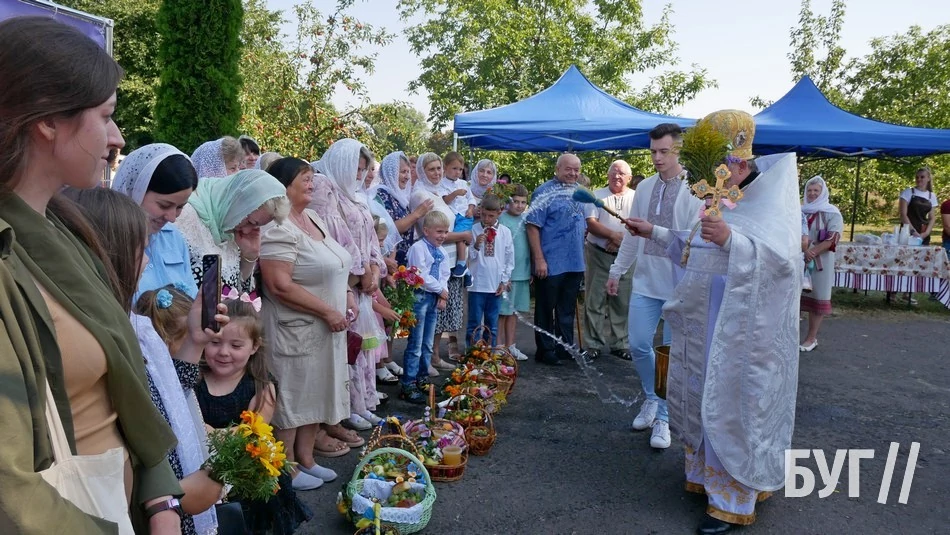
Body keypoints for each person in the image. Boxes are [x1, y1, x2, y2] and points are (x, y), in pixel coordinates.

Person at [0, 16, 182, 533]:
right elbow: (10, 486)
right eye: (105, 116)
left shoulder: (61, 226)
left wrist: (159, 500)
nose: (116, 137)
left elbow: (119, 387)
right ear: (48, 121)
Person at [625, 110, 801, 534]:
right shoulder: (721, 199)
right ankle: (708, 479)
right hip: (705, 326)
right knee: (705, 399)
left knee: (733, 406)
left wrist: (732, 241)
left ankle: (732, 499)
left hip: (742, 336)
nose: (713, 177)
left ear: (740, 161)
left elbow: (783, 266)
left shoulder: (770, 201)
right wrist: (654, 232)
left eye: (720, 166)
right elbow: (695, 249)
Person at [67, 187, 229, 535]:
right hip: (150, 501)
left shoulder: (135, 326)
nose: (147, 262)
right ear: (111, 253)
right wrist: (172, 501)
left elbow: (166, 395)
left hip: (171, 491)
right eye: (142, 249)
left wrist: (195, 341)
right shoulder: (97, 339)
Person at [259, 157, 361, 479]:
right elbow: (279, 284)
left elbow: (335, 262)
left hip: (326, 327)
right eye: (304, 178)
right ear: (283, 186)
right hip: (296, 328)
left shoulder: (313, 217)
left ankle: (306, 458)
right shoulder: (276, 227)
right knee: (295, 395)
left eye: (311, 177)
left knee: (317, 391)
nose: (312, 183)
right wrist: (327, 310)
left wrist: (347, 295)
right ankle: (287, 468)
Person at [606, 124, 702, 450]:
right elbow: (633, 236)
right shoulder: (645, 187)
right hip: (646, 281)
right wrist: (617, 271)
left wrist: (654, 231)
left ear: (678, 150)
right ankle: (651, 397)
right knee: (637, 344)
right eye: (653, 152)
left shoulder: (696, 188)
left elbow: (694, 241)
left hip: (680, 285)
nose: (657, 158)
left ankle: (663, 415)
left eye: (664, 151)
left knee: (671, 356)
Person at [197, 299, 314, 533]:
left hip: (248, 477)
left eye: (236, 345)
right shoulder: (194, 380)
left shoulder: (261, 386)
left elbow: (252, 434)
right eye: (215, 342)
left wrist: (207, 431)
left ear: (254, 346)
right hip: (202, 473)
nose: (223, 352)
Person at [308, 139, 384, 431]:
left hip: (361, 284)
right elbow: (333, 237)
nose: (359, 175)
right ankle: (343, 411)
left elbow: (371, 237)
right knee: (344, 348)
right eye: (356, 168)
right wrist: (360, 271)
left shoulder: (354, 195)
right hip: (342, 283)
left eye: (363, 169)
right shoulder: (324, 187)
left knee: (359, 347)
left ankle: (361, 403)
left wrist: (374, 268)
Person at [111, 142, 200, 300]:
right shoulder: (108, 239)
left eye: (180, 207)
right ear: (136, 190)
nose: (172, 218)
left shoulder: (173, 237)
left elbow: (190, 297)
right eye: (164, 205)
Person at [176, 169, 289, 293]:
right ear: (237, 201)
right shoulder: (184, 217)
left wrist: (249, 256)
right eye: (250, 222)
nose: (247, 231)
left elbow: (239, 295)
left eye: (256, 227)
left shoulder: (230, 229)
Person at [526, 153, 590, 366]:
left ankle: (565, 347)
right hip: (551, 261)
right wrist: (539, 259)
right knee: (546, 308)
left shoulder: (581, 192)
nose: (573, 173)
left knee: (567, 309)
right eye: (568, 169)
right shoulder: (543, 192)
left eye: (576, 170)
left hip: (575, 261)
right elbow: (532, 226)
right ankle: (545, 350)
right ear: (557, 168)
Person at [413, 153, 470, 370]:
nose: (437, 173)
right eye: (431, 169)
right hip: (432, 262)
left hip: (449, 260)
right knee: (429, 314)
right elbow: (427, 232)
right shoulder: (421, 195)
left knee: (442, 313)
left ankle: (434, 356)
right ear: (422, 172)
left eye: (438, 168)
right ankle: (425, 360)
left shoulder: (437, 192)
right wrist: (463, 236)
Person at [583, 160, 636, 362]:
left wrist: (621, 241)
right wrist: (613, 236)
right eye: (613, 172)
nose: (617, 176)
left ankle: (620, 343)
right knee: (594, 300)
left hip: (626, 257)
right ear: (607, 175)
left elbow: (640, 225)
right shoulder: (596, 196)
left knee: (622, 301)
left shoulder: (636, 197)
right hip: (598, 254)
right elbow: (591, 223)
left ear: (629, 178)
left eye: (621, 173)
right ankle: (593, 344)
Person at [400, 211, 452, 403]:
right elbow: (419, 275)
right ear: (426, 230)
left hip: (433, 297)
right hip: (420, 296)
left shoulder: (442, 251)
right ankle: (408, 383)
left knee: (427, 343)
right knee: (416, 342)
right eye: (439, 231)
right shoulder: (418, 248)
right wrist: (440, 289)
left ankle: (422, 378)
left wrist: (442, 293)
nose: (443, 236)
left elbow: (445, 274)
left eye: (445, 232)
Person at [800, 176, 843, 352]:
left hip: (820, 263)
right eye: (809, 190)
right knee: (795, 298)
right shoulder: (800, 211)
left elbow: (833, 238)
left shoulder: (832, 213)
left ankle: (811, 338)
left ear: (823, 192)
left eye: (816, 190)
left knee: (817, 298)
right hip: (799, 259)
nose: (812, 194)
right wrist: (803, 251)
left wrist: (812, 252)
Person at [466, 194, 515, 346]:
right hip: (477, 284)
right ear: (480, 211)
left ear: (499, 213)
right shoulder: (473, 229)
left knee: (492, 324)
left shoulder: (505, 232)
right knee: (474, 323)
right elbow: (468, 257)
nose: (486, 219)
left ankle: (490, 353)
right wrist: (475, 246)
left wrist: (504, 281)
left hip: (495, 285)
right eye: (484, 215)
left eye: (491, 216)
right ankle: (472, 353)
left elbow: (509, 259)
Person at [372, 151, 433, 266]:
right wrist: (416, 214)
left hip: (402, 261)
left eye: (408, 172)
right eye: (403, 172)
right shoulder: (381, 195)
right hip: (389, 262)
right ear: (391, 172)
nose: (407, 177)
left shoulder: (400, 196)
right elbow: (389, 229)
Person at [498, 184, 531, 360]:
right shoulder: (501, 219)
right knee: (502, 312)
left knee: (513, 312)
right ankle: (498, 347)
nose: (519, 205)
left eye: (523, 202)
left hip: (522, 272)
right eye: (516, 201)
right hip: (507, 275)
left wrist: (530, 269)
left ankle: (511, 346)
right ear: (509, 202)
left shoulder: (526, 219)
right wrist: (503, 275)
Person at [440, 151, 476, 280]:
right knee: (457, 238)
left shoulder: (463, 183)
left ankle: (461, 263)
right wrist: (455, 193)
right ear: (445, 167)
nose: (457, 172)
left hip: (464, 216)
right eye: (454, 168)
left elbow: (471, 199)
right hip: (453, 216)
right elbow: (445, 200)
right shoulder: (441, 183)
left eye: (460, 169)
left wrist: (470, 209)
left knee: (459, 237)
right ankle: (466, 271)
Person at [898, 167, 939, 244]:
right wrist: (913, 232)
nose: (919, 179)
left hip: (923, 233)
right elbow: (903, 215)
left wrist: (926, 233)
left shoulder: (931, 196)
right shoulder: (907, 192)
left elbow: (932, 218)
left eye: (922, 177)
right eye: (917, 177)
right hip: (907, 232)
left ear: (928, 179)